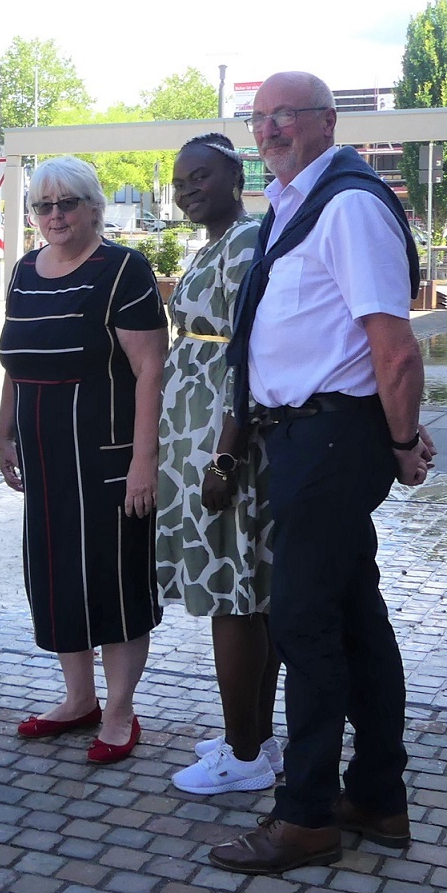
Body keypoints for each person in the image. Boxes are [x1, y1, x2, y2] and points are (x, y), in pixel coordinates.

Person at [209, 71, 434, 875]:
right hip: (309, 439)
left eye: (286, 116)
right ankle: (376, 795)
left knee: (302, 627)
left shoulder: (347, 206)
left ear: (327, 122)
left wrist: (402, 442)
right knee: (354, 622)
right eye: (260, 116)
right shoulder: (299, 203)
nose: (269, 129)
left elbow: (395, 346)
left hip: (333, 440)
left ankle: (305, 814)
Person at [0, 156, 166, 764]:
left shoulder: (124, 270)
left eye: (68, 202)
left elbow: (150, 370)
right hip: (43, 453)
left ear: (95, 206)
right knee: (58, 574)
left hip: (107, 454)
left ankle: (119, 712)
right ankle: (78, 699)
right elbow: (15, 358)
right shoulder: (22, 272)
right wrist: (3, 426)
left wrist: (145, 461)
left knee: (115, 582)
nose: (55, 215)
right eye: (44, 206)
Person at [156, 133, 281, 795]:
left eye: (200, 176)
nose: (187, 188)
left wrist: (226, 455)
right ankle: (254, 736)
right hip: (199, 439)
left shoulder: (246, 243)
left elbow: (249, 355)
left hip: (220, 445)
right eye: (180, 180)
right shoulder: (219, 243)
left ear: (236, 176)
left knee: (234, 596)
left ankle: (242, 755)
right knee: (248, 597)